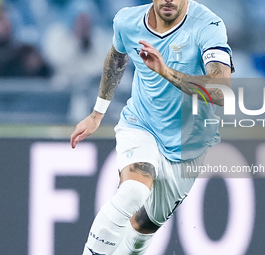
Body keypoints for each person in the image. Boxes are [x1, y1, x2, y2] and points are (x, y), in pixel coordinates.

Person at [70, 0, 233, 254]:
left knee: (144, 226)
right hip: (142, 124)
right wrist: (97, 112)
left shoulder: (208, 25)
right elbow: (116, 57)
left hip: (188, 144)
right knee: (134, 190)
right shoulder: (127, 21)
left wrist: (166, 71)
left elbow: (221, 90)